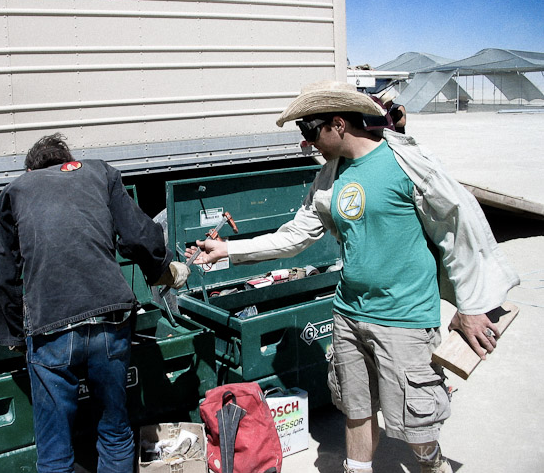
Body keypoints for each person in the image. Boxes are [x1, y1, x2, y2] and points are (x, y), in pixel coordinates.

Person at [186, 81, 519, 473]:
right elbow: (295, 236)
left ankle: (433, 466)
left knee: (417, 423)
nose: (306, 145)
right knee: (355, 409)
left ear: (339, 124)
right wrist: (229, 250)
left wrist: (473, 304)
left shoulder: (406, 163)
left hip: (405, 318)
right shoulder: (330, 178)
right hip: (348, 314)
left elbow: (459, 227)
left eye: (310, 132)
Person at [0, 133, 190, 473]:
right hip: (111, 317)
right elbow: (139, 235)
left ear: (32, 169)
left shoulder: (16, 191)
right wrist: (161, 269)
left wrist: (17, 338)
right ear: (67, 160)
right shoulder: (100, 173)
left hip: (50, 327)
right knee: (114, 430)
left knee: (55, 449)